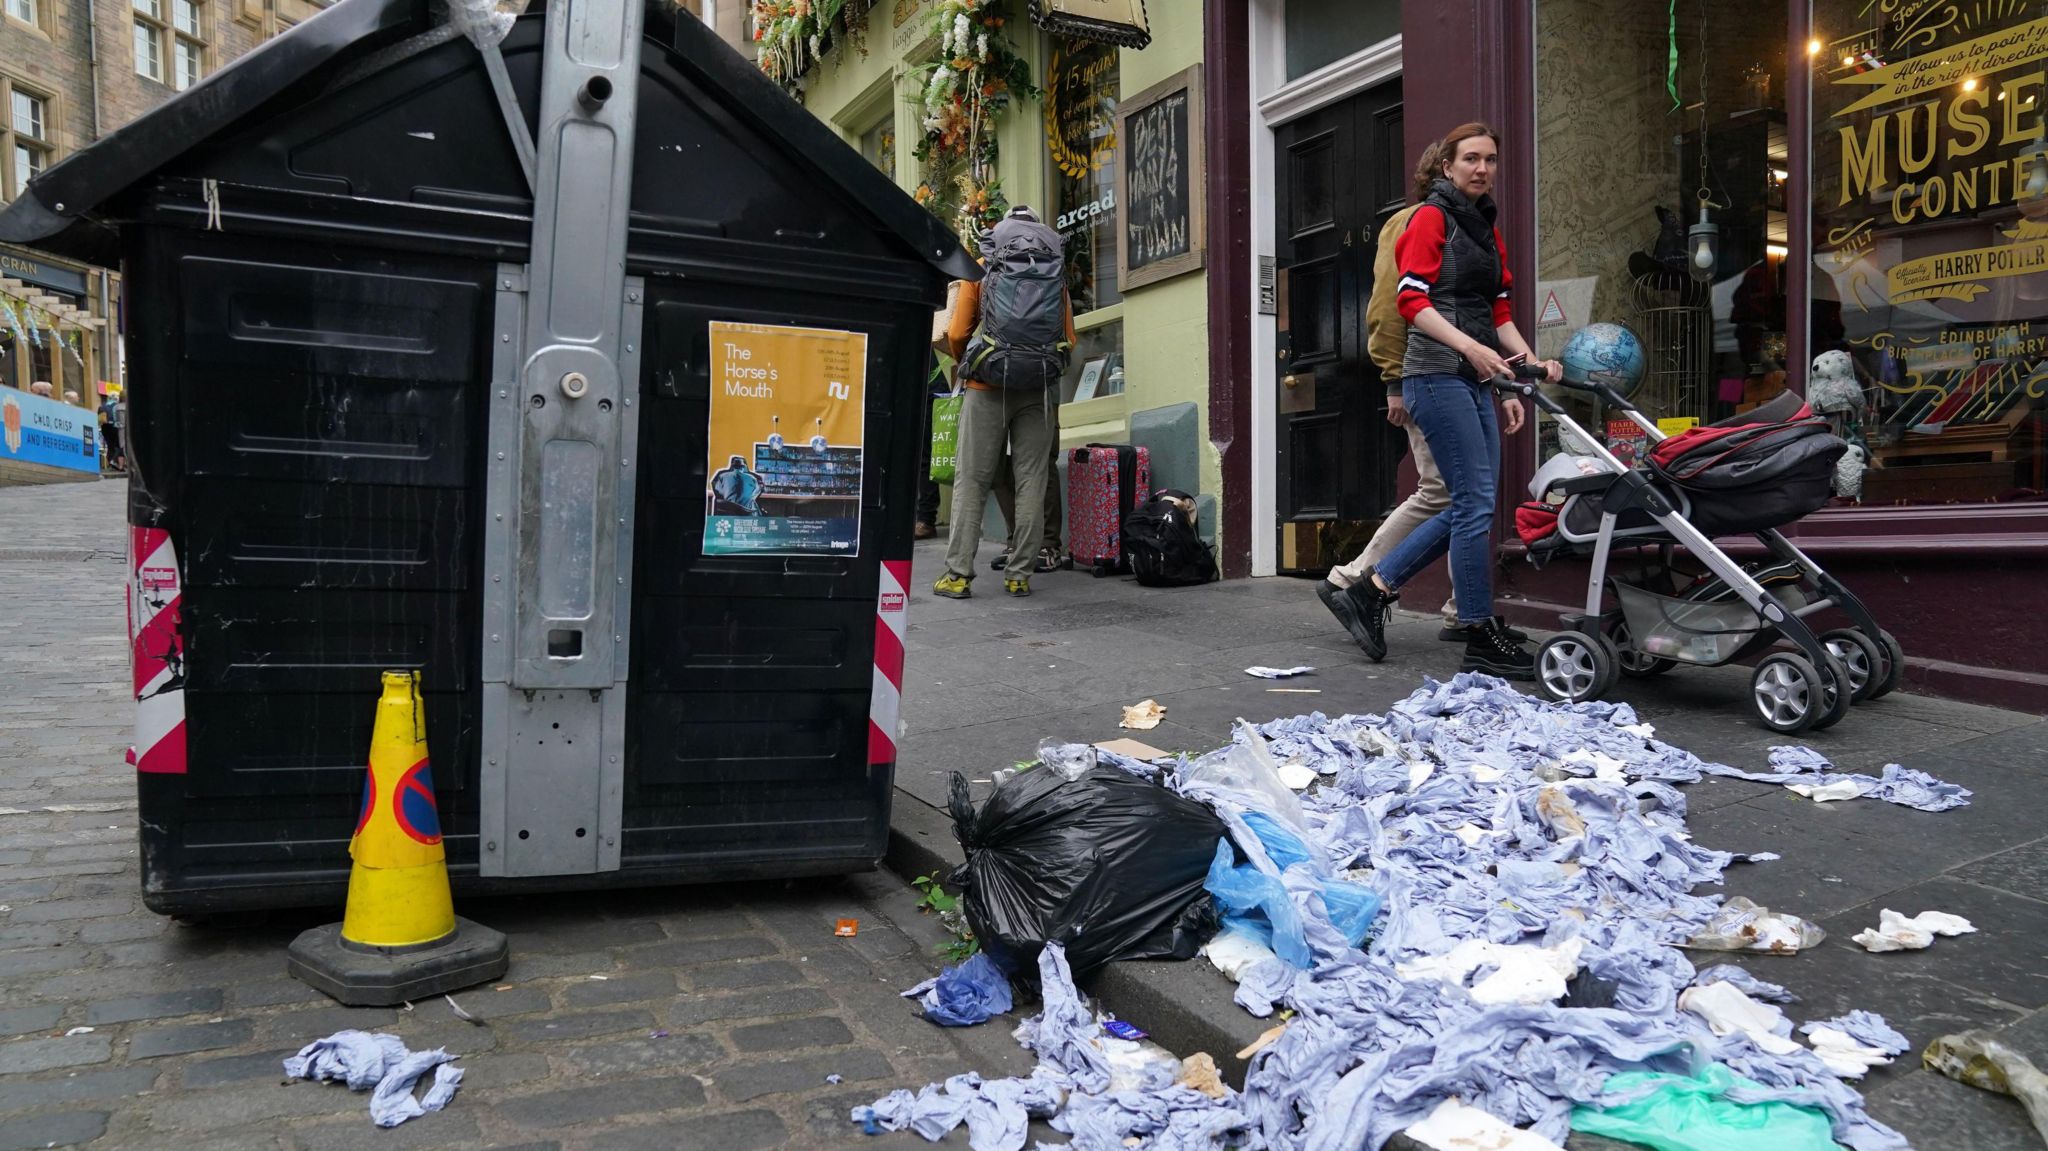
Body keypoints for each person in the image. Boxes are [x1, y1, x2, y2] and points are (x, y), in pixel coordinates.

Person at [1336, 123, 1559, 680]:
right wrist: (1473, 353)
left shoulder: (1486, 229)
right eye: (1470, 160)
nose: (1481, 169)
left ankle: (1374, 589)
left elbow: (1498, 314)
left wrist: (1525, 367)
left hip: (1474, 378)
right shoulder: (1429, 219)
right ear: (1447, 166)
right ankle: (1476, 629)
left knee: (1472, 505)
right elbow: (1410, 301)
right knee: (1472, 503)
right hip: (1435, 376)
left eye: (1490, 160)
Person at [933, 205, 1076, 599]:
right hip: (1038, 389)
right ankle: (1020, 574)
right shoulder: (1053, 272)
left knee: (972, 480)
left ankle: (958, 574)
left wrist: (973, 365)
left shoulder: (983, 266)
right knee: (1033, 477)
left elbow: (959, 330)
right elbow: (1069, 337)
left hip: (985, 387)